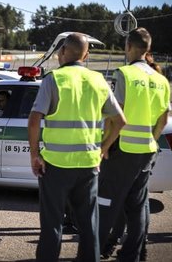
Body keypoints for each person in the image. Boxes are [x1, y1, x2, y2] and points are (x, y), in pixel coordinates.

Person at [28, 32, 126, 262]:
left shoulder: (54, 79)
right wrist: (103, 148)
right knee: (89, 225)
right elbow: (120, 120)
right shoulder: (99, 80)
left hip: (55, 166)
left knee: (52, 224)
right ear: (86, 55)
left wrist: (35, 155)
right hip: (88, 165)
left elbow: (34, 119)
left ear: (62, 52)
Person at [98, 27, 170, 262]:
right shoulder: (161, 80)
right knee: (138, 205)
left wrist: (105, 145)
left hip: (122, 149)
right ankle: (133, 254)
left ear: (128, 47)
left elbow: (114, 115)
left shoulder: (124, 74)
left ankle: (95, 249)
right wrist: (153, 136)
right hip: (147, 150)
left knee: (106, 202)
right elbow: (165, 113)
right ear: (147, 49)